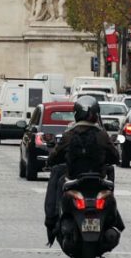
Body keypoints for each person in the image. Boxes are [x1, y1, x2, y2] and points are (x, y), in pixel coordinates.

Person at [44, 95, 122, 245]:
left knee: (57, 181)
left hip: (74, 180)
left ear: (76, 114)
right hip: (98, 181)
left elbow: (54, 156)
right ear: (96, 114)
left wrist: (50, 161)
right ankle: (114, 220)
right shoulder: (102, 134)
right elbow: (115, 156)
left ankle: (52, 219)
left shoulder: (69, 134)